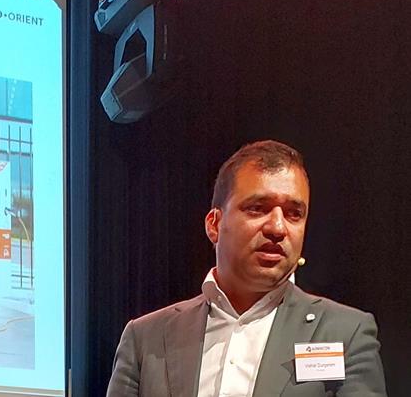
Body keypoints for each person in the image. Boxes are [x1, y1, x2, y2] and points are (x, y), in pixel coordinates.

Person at [107, 140, 387, 396]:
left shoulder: (345, 333)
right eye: (257, 208)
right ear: (214, 224)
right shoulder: (146, 338)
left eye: (294, 214)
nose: (277, 227)